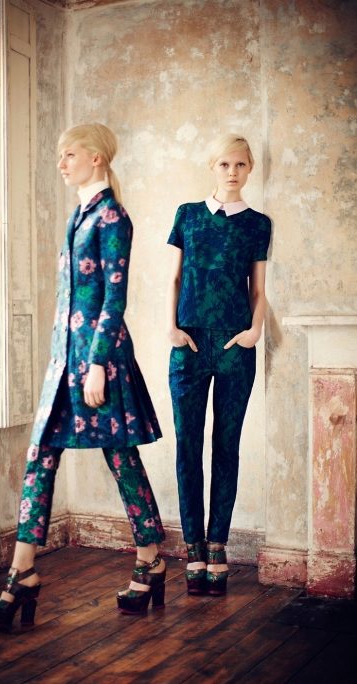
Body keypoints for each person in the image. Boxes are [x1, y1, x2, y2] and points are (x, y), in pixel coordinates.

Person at [0, 123, 166, 627]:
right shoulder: (79, 214)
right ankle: (22, 573)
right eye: (60, 155)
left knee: (121, 458)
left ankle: (150, 561)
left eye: (69, 154)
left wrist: (97, 365)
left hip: (98, 361)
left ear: (96, 158)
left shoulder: (113, 217)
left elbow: (114, 297)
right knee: (40, 455)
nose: (61, 163)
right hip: (63, 361)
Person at [166, 133, 271, 596]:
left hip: (234, 347)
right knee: (187, 446)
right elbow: (174, 278)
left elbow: (258, 289)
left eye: (240, 164)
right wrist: (171, 328)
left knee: (226, 447)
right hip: (188, 345)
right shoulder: (187, 215)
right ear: (213, 167)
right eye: (225, 164)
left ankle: (217, 546)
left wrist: (254, 331)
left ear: (250, 169)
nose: (232, 171)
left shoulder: (258, 224)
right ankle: (192, 547)